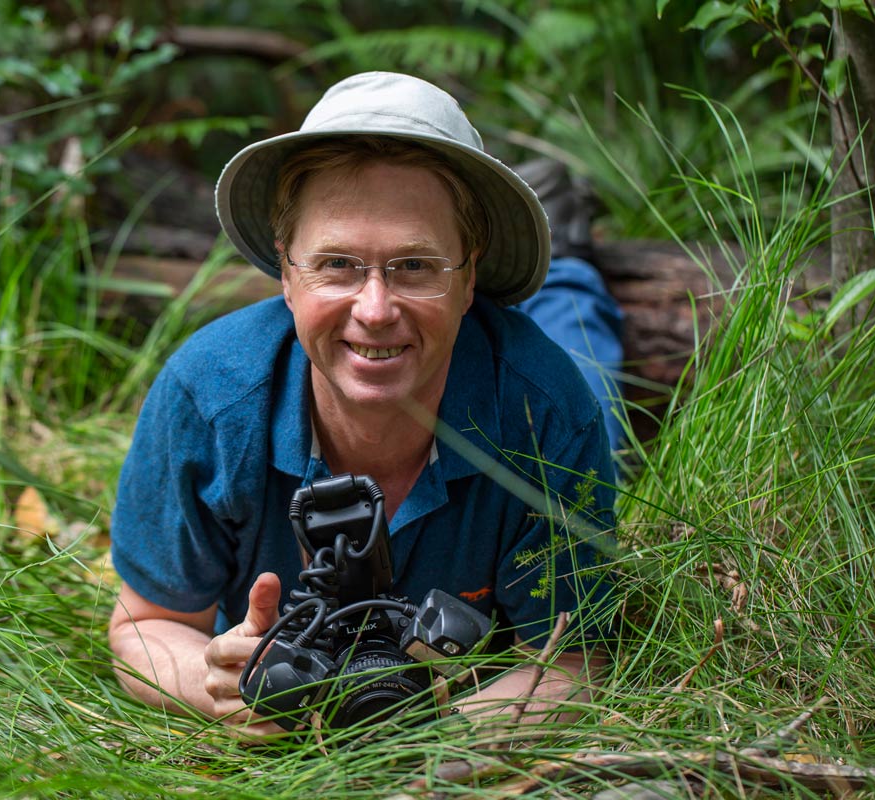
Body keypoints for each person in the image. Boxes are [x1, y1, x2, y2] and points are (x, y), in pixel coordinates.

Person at [108, 71, 619, 737]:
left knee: (593, 374)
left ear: (469, 276)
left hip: (525, 371)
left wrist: (423, 759)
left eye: (416, 265)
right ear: (287, 271)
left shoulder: (545, 410)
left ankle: (570, 256)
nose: (375, 311)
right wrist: (213, 690)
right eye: (339, 265)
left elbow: (570, 659)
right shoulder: (207, 399)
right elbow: (146, 626)